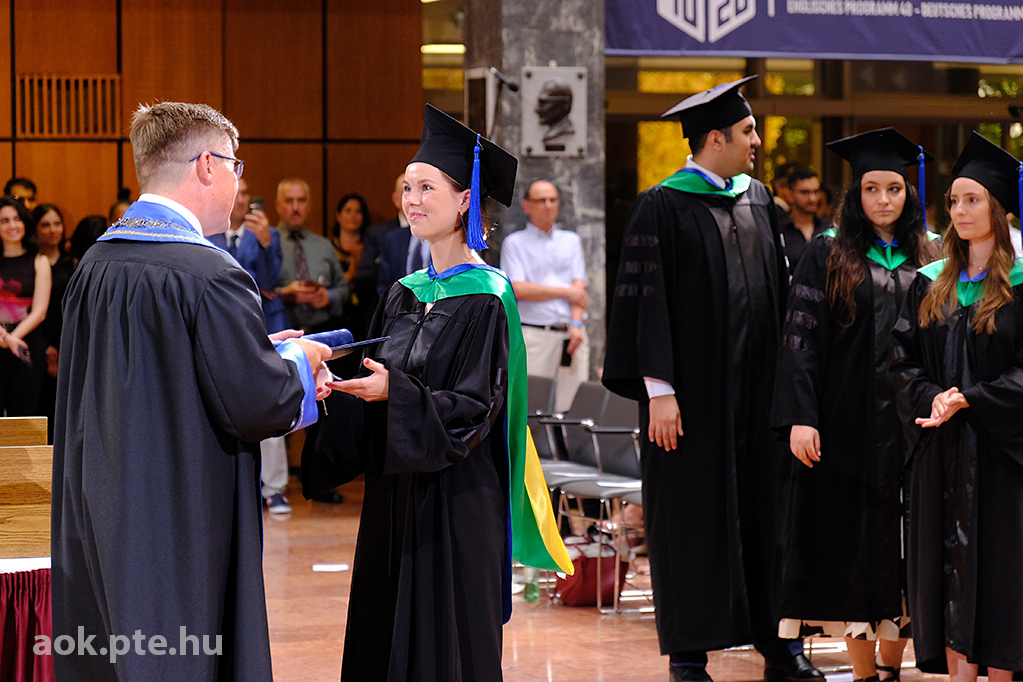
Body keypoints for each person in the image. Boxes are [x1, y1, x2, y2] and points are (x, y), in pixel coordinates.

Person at [50, 101, 331, 682]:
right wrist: (298, 364)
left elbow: (152, 369)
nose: (237, 183)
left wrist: (250, 348)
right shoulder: (211, 273)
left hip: (102, 507)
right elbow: (255, 403)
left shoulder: (95, 264)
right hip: (175, 514)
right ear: (206, 165)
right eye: (234, 165)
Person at [306, 103, 571, 682]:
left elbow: (476, 409)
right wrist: (338, 387)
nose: (412, 200)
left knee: (446, 640)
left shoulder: (488, 297)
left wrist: (394, 392)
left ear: (465, 200)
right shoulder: (404, 292)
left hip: (457, 496)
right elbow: (380, 373)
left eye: (427, 187)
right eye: (407, 187)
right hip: (397, 493)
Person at [602, 76, 821, 682]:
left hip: (759, 397)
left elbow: (780, 294)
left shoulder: (759, 200)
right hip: (691, 400)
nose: (757, 141)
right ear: (716, 139)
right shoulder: (660, 205)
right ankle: (689, 654)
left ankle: (780, 645)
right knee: (691, 520)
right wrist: (659, 392)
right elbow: (643, 304)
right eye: (748, 131)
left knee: (768, 519)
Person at [771, 128, 940, 682]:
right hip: (846, 424)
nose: (883, 200)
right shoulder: (827, 252)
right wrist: (801, 417)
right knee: (855, 548)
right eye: (871, 189)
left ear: (909, 193)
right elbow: (800, 339)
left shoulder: (933, 253)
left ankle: (892, 669)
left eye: (894, 188)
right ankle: (866, 674)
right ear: (856, 194)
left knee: (907, 547)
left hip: (915, 426)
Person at [891, 132, 1023, 681]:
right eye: (953, 200)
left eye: (973, 199)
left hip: (1001, 462)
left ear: (1001, 208)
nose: (960, 211)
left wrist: (972, 398)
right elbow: (900, 363)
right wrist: (934, 397)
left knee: (1000, 582)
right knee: (943, 580)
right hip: (939, 457)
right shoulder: (929, 285)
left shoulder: (1020, 287)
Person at [208, 177, 292, 513]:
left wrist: (267, 244)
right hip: (223, 331)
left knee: (269, 403)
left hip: (264, 325)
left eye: (245, 193)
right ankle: (236, 488)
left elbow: (270, 283)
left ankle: (275, 487)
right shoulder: (209, 233)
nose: (241, 199)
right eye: (237, 192)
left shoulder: (266, 235)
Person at [500, 179, 589, 412]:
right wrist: (566, 292)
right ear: (526, 205)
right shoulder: (514, 243)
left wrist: (576, 325)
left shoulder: (571, 241)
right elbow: (518, 289)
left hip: (572, 334)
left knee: (572, 410)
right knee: (533, 408)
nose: (548, 205)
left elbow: (579, 289)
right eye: (541, 200)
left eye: (553, 200)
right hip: (535, 336)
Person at [275, 178, 348, 332]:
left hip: (322, 331)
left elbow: (343, 287)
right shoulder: (266, 245)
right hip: (282, 331)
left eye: (301, 200)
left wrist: (329, 296)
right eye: (289, 201)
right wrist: (283, 294)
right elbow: (254, 292)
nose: (296, 207)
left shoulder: (324, 245)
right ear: (278, 206)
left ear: (308, 206)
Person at [0, 196, 50, 416]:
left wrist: (12, 338)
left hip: (27, 343)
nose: (12, 225)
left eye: (17, 219)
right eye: (4, 221)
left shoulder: (39, 260)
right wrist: (4, 337)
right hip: (2, 337)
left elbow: (39, 312)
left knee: (25, 414)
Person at [32, 203, 76, 439]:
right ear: (35, 229)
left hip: (66, 342)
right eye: (45, 225)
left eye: (57, 224)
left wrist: (60, 346)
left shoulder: (74, 263)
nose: (52, 230)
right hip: (36, 341)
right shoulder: (31, 263)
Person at [356, 173, 405, 316]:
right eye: (407, 190)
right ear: (396, 199)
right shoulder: (379, 234)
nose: (414, 198)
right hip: (389, 312)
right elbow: (364, 279)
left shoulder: (435, 233)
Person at [331, 192, 372, 340]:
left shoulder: (371, 248)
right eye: (348, 210)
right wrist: (354, 267)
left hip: (364, 314)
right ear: (338, 215)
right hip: (334, 315)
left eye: (358, 211)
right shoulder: (327, 248)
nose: (353, 215)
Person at [779, 166, 830, 274]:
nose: (813, 198)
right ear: (789, 195)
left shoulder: (829, 229)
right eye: (805, 192)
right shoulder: (779, 230)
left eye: (816, 192)